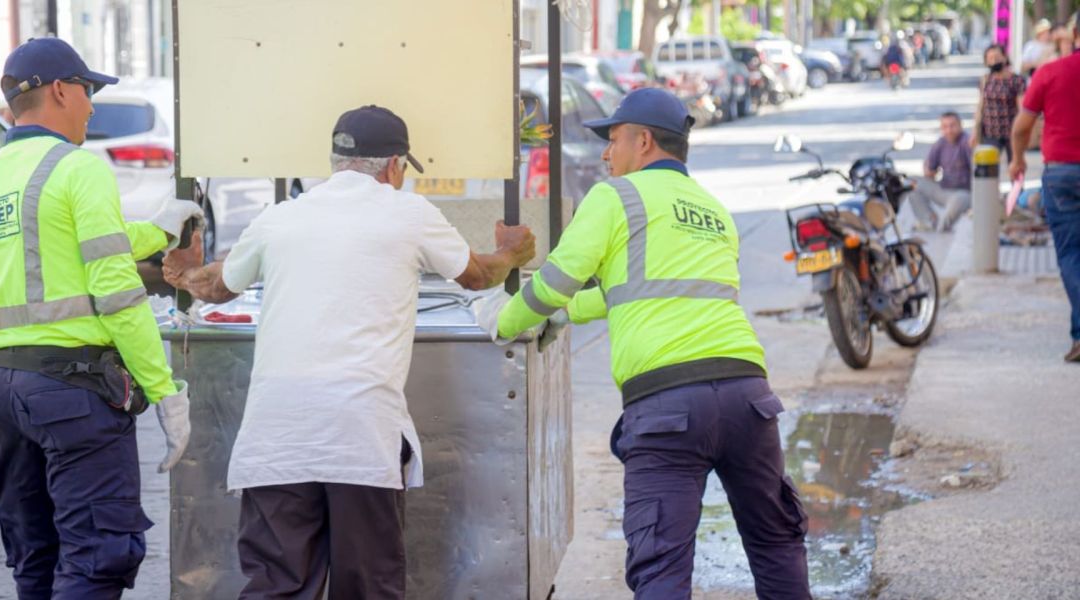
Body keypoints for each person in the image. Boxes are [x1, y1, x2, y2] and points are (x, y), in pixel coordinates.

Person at [161, 105, 536, 599]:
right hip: (360, 436)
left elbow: (214, 286)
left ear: (337, 161)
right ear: (395, 166)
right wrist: (514, 251)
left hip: (277, 439)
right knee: (367, 588)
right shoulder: (409, 213)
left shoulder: (280, 217)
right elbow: (476, 276)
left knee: (277, 587)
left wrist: (182, 271)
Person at [480, 88, 811, 599]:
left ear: (645, 141)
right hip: (748, 397)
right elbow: (636, 294)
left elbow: (555, 281)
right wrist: (567, 315)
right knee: (775, 543)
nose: (606, 154)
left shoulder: (616, 197)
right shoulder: (714, 210)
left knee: (661, 567)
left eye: (613, 140)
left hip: (668, 406)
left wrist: (506, 319)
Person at [0, 38, 201, 598]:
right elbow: (117, 294)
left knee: (36, 556)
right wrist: (163, 390)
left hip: (3, 389)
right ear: (60, 91)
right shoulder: (76, 168)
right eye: (88, 91)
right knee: (99, 555)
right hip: (71, 393)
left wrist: (160, 230)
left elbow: (67, 248)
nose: (92, 106)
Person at [1011, 11, 1080, 363]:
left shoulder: (1051, 72)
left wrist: (1017, 159)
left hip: (1063, 174)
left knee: (1071, 254)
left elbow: (1021, 127)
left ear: (1074, 34)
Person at [907, 112, 972, 232]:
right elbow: (929, 167)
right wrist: (929, 171)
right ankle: (929, 220)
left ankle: (942, 227)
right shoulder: (941, 143)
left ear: (960, 126)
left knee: (957, 203)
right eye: (945, 127)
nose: (949, 130)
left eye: (952, 126)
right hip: (944, 189)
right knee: (912, 184)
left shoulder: (966, 142)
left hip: (964, 192)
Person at [972, 44, 1026, 162]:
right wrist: (975, 131)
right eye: (990, 58)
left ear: (1005, 58)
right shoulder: (985, 80)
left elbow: (1022, 108)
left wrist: (1023, 131)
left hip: (1012, 133)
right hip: (990, 133)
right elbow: (980, 106)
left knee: (1016, 166)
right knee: (988, 169)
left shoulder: (1017, 81)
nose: (994, 60)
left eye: (997, 57)